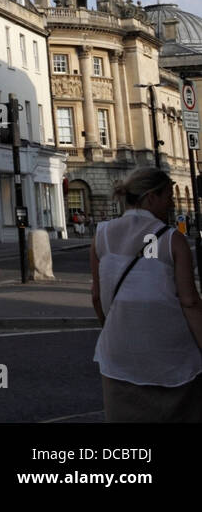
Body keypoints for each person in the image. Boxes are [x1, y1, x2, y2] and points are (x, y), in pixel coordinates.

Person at [93, 167, 202, 421]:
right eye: (168, 196)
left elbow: (97, 296)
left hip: (118, 357)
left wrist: (113, 328)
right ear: (151, 197)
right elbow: (190, 302)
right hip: (171, 359)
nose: (172, 203)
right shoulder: (172, 238)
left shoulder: (102, 235)